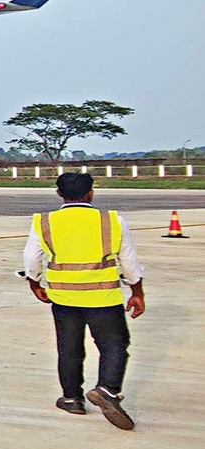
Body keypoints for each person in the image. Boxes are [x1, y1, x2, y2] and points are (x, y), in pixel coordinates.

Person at [25, 172, 146, 429]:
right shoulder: (112, 221)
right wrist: (137, 292)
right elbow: (129, 262)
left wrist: (34, 283)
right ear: (91, 192)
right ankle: (108, 390)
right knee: (114, 345)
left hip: (63, 297)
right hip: (104, 296)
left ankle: (72, 399)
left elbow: (32, 260)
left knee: (69, 348)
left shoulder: (44, 222)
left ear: (59, 193)